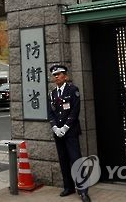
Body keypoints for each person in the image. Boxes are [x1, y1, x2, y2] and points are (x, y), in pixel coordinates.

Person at [47, 65, 90, 202]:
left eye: (59, 74)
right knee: (63, 160)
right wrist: (55, 127)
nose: (56, 77)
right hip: (58, 133)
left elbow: (75, 111)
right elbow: (51, 113)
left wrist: (65, 127)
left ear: (66, 76)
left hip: (70, 132)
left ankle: (83, 191)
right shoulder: (52, 93)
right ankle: (68, 187)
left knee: (75, 160)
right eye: (55, 75)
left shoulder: (73, 90)